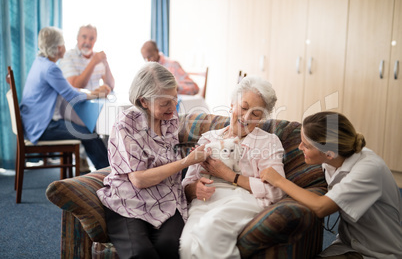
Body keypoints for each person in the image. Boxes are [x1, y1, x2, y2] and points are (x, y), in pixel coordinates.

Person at [96, 62, 210, 259]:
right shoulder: (126, 124)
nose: (172, 107)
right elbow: (139, 180)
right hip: (129, 198)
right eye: (165, 102)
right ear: (144, 101)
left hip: (166, 196)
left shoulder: (171, 120)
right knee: (139, 253)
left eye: (174, 99)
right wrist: (187, 161)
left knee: (170, 245)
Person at [260, 111, 402, 259]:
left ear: (329, 153)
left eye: (306, 146)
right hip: (347, 244)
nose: (299, 147)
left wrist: (279, 180)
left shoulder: (368, 169)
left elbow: (321, 207)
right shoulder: (332, 159)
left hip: (378, 252)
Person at [180, 76, 286, 258]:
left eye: (256, 113)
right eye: (243, 108)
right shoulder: (208, 138)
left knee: (211, 227)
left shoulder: (268, 141)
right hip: (204, 201)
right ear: (231, 104)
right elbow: (186, 185)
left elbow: (276, 190)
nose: (246, 117)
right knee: (187, 246)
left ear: (262, 118)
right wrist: (194, 189)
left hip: (242, 199)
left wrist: (230, 176)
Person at [20, 26, 109, 170]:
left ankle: (106, 172)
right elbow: (72, 95)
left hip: (33, 123)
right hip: (42, 127)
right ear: (59, 47)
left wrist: (93, 93)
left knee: (87, 129)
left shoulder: (40, 63)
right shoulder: (51, 68)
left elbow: (68, 90)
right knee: (87, 132)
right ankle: (108, 173)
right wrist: (97, 94)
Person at [59, 24, 115, 92]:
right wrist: (93, 62)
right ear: (77, 38)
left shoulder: (98, 57)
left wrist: (105, 63)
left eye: (91, 39)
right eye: (84, 37)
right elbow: (74, 86)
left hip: (96, 101)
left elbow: (111, 86)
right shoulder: (67, 56)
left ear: (95, 40)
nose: (88, 42)